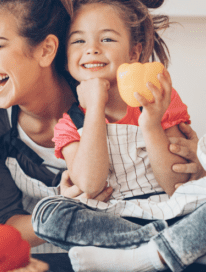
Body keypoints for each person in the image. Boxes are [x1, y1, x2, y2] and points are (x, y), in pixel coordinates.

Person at [0, 0, 200, 256]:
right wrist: (68, 206)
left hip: (165, 220)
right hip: (78, 248)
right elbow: (6, 222)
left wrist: (190, 157)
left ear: (48, 50)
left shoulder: (127, 91)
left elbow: (180, 182)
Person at [30, 1, 206, 271]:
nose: (92, 49)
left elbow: (176, 183)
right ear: (65, 57)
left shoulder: (158, 100)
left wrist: (150, 123)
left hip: (172, 211)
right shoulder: (69, 124)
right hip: (114, 221)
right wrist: (95, 107)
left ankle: (145, 255)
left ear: (134, 52)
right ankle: (161, 248)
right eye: (78, 41)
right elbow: (91, 184)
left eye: (107, 38)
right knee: (46, 214)